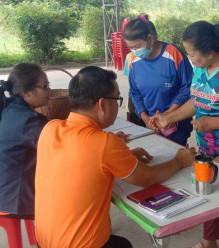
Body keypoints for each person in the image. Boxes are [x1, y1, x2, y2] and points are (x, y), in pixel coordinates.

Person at [34, 66, 197, 248]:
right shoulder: (104, 143)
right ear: (102, 104)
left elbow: (78, 162)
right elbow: (147, 178)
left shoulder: (50, 128)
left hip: (45, 241)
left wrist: (125, 155)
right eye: (117, 99)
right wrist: (179, 161)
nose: (118, 105)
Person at [151, 21, 219, 248]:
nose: (191, 60)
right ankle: (208, 241)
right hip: (207, 147)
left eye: (193, 55)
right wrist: (168, 118)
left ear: (210, 52)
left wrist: (212, 123)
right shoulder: (202, 68)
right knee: (207, 192)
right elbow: (198, 98)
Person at [122, 13, 193, 145]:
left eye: (137, 46)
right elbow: (135, 93)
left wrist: (168, 115)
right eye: (130, 47)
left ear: (150, 38)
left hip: (176, 123)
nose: (134, 51)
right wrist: (145, 118)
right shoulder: (134, 61)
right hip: (150, 124)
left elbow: (188, 88)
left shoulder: (173, 54)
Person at [0, 63, 49, 221]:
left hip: (6, 189)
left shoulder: (11, 108)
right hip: (14, 199)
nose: (49, 91)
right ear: (26, 92)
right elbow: (58, 148)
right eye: (45, 86)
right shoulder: (28, 122)